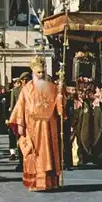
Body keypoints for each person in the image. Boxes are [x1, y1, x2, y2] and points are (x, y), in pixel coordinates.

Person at [9, 56, 64, 191]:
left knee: (48, 154)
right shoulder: (26, 89)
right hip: (32, 128)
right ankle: (35, 183)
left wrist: (60, 95)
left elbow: (59, 110)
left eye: (42, 71)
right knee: (34, 154)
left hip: (49, 127)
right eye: (38, 72)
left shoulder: (52, 87)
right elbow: (20, 106)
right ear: (33, 72)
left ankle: (50, 182)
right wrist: (20, 125)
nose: (41, 74)